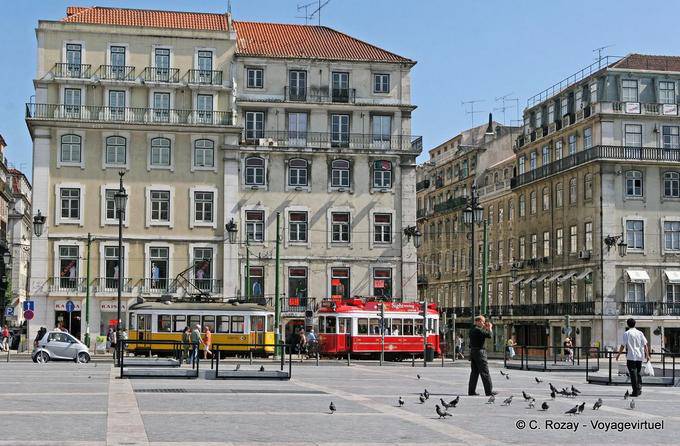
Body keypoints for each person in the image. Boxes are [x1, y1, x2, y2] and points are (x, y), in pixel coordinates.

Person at [616, 318, 650, 397]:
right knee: (638, 373)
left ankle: (635, 391)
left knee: (633, 374)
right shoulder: (640, 333)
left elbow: (623, 345)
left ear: (628, 324)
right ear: (635, 324)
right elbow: (645, 345)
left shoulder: (627, 333)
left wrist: (618, 354)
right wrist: (647, 355)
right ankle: (639, 388)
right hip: (639, 356)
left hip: (631, 356)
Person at [467, 315, 496, 397]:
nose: (484, 324)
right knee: (485, 372)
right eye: (483, 322)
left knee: (474, 372)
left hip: (473, 352)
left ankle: (471, 391)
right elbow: (489, 335)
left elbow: (482, 333)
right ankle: (489, 391)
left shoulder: (472, 329)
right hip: (480, 352)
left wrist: (484, 327)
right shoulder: (478, 330)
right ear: (478, 321)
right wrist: (490, 328)